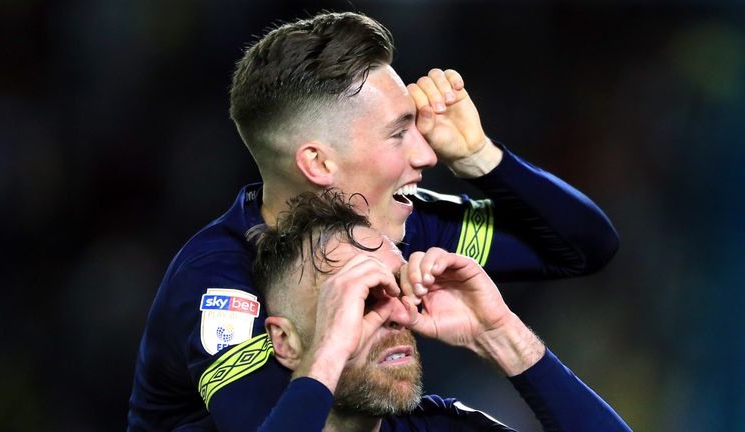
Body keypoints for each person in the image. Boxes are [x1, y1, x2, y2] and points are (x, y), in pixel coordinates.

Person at [127, 11, 619, 431]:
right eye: (398, 133)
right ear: (318, 164)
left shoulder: (398, 223)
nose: (428, 152)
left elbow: (583, 247)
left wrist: (479, 157)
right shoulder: (217, 283)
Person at [251, 190, 631, 432]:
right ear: (285, 342)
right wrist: (329, 354)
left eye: (397, 287)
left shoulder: (442, 427)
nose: (397, 314)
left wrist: (501, 336)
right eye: (362, 299)